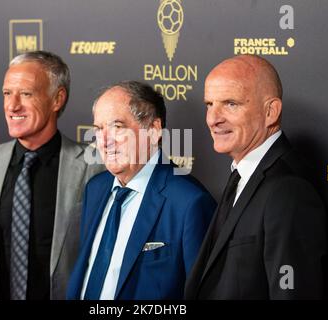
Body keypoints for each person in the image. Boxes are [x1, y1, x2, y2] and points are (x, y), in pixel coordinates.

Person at [0, 51, 104, 300]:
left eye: (26, 94)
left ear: (57, 99)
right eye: (7, 93)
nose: (12, 106)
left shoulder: (94, 167)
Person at [185, 55, 328, 299]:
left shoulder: (288, 191)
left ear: (270, 111)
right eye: (209, 104)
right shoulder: (242, 174)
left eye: (230, 103)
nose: (212, 119)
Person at [66, 81, 216, 300]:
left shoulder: (189, 202)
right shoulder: (95, 189)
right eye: (99, 129)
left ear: (153, 131)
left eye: (118, 127)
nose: (105, 141)